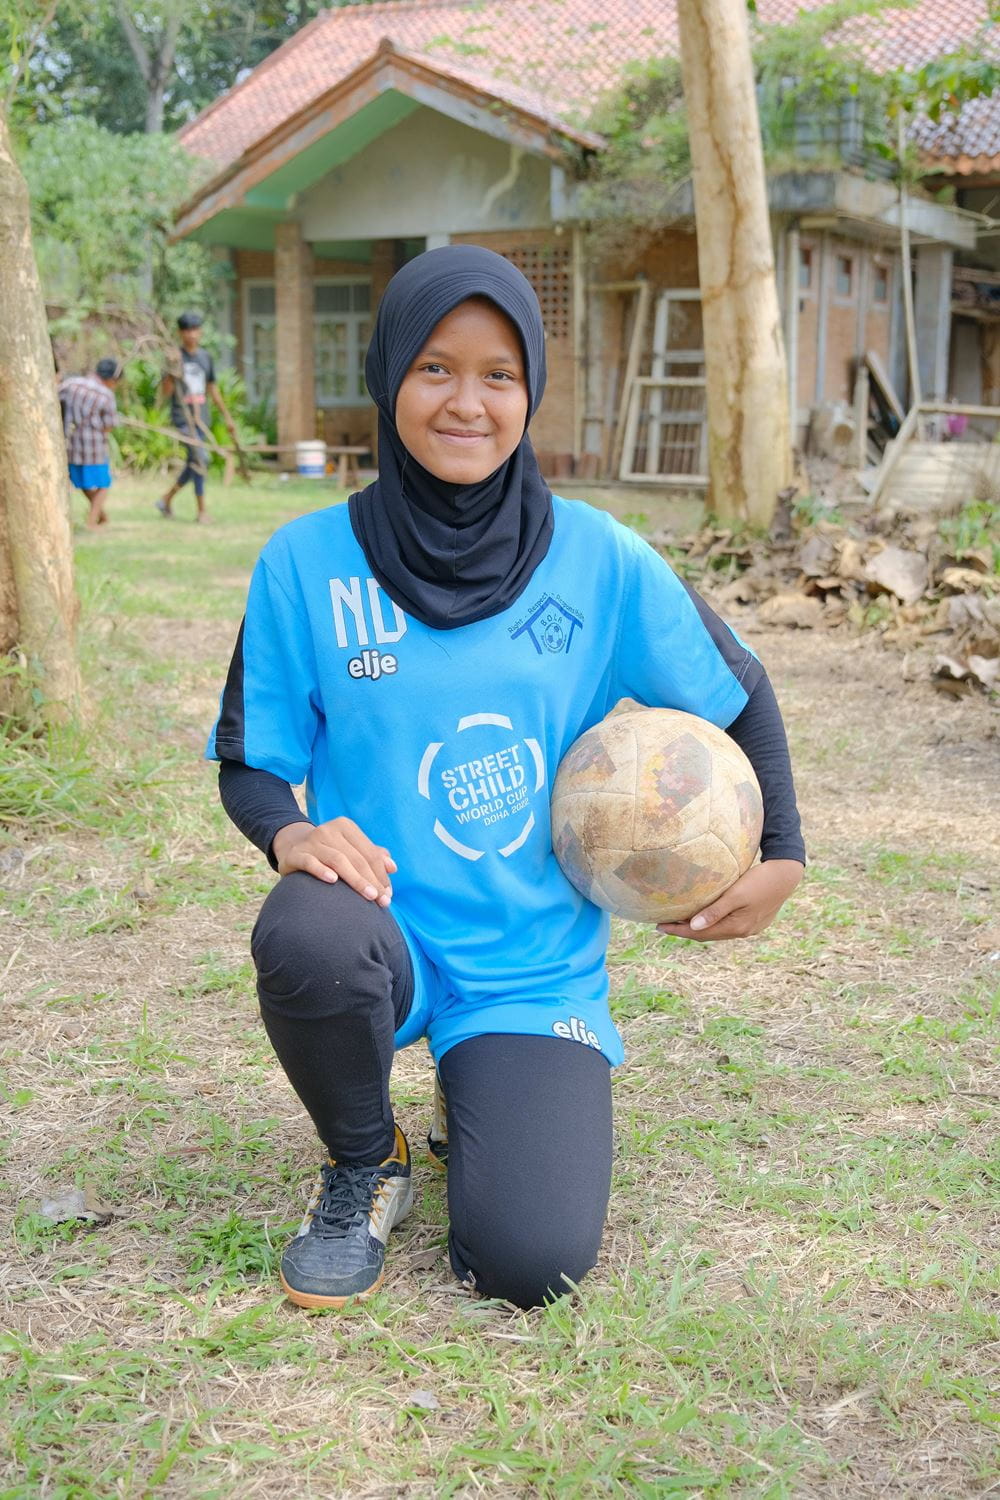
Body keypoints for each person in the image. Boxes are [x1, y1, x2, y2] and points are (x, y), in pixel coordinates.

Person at [207, 246, 805, 1312]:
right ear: (389, 377)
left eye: (499, 375)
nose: (466, 403)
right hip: (378, 931)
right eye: (435, 368)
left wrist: (783, 855)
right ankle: (363, 1159)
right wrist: (290, 837)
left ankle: (488, 1091)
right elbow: (253, 765)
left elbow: (738, 691)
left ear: (530, 389)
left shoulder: (599, 559)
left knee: (529, 1263)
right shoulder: (304, 564)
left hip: (530, 972)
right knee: (304, 932)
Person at [157, 312, 238, 523]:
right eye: (187, 330)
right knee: (201, 460)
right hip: (183, 418)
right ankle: (202, 511)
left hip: (202, 418)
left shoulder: (205, 357)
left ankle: (166, 499)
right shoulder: (175, 357)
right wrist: (171, 370)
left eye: (195, 330)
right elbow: (166, 392)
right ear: (180, 333)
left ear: (200, 331)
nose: (192, 335)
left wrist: (227, 418)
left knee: (194, 462)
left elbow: (212, 389)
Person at [59, 357, 121, 528]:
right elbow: (109, 426)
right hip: (94, 447)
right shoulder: (106, 395)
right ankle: (92, 523)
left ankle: (101, 516)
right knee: (103, 483)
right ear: (112, 379)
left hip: (71, 443)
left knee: (80, 481)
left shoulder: (70, 384)